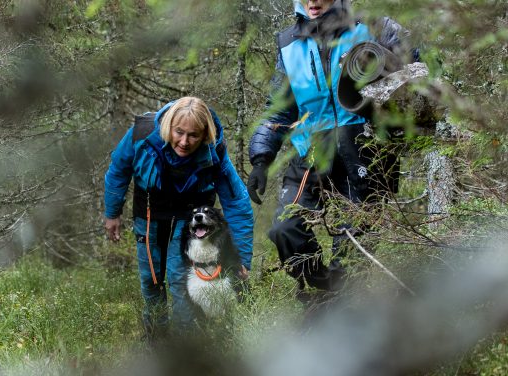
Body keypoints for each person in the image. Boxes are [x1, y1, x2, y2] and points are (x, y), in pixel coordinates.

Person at [247, 0, 417, 298]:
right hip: (311, 149)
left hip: (365, 144)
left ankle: (337, 304)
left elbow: (415, 68)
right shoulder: (289, 43)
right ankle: (323, 286)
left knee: (354, 246)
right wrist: (261, 158)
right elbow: (279, 109)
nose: (313, 2)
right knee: (284, 229)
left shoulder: (372, 25)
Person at [104, 96, 253, 334]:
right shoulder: (141, 134)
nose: (184, 142)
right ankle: (156, 335)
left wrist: (242, 258)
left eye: (193, 135)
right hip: (150, 213)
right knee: (150, 280)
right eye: (179, 132)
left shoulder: (215, 151)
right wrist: (112, 213)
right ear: (168, 126)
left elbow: (236, 201)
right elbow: (118, 170)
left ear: (204, 135)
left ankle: (185, 342)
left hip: (190, 218)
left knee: (179, 278)